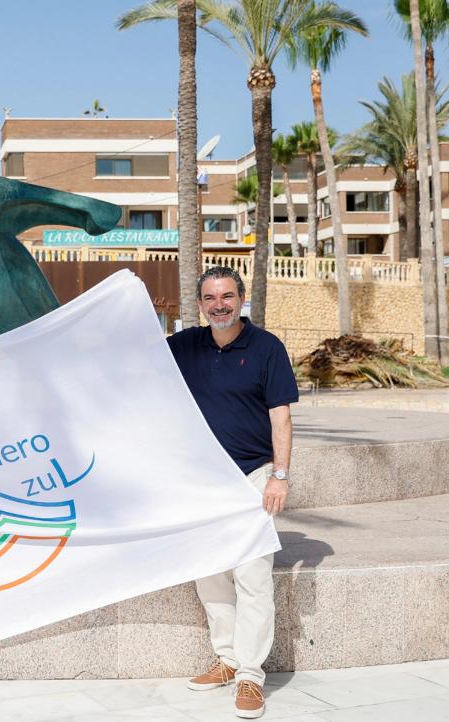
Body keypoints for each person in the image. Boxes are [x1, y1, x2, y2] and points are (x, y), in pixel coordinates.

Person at [166, 266, 298, 720]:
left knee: (253, 578)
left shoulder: (267, 348)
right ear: (199, 304)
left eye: (226, 295)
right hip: (203, 483)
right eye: (209, 297)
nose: (218, 304)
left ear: (241, 298)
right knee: (211, 574)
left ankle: (250, 676)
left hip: (253, 477)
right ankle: (226, 659)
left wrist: (280, 475)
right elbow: (130, 367)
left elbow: (280, 415)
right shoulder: (183, 347)